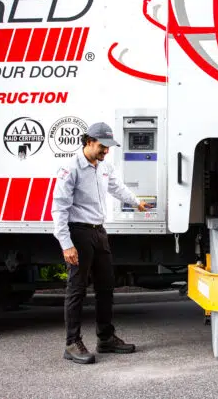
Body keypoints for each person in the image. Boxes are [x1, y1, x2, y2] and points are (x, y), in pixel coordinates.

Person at [51, 121, 151, 364]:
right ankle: (72, 343)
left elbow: (117, 188)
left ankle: (105, 338)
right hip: (79, 233)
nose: (106, 150)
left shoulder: (104, 167)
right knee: (76, 289)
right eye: (102, 146)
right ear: (88, 142)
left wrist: (136, 202)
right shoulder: (71, 168)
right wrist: (66, 244)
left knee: (106, 287)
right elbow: (59, 208)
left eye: (109, 146)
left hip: (98, 232)